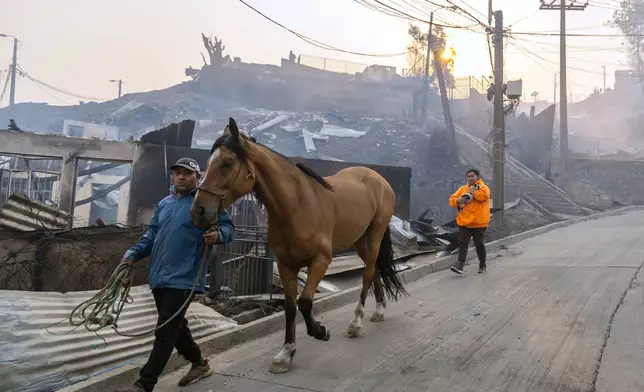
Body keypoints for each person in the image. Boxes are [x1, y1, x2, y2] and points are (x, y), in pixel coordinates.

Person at [119, 157, 235, 392]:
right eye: (178, 172)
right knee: (175, 325)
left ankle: (145, 383)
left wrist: (218, 236)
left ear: (197, 177)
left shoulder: (206, 203)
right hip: (159, 276)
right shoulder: (164, 204)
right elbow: (151, 235)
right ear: (173, 177)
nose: (181, 176)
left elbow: (228, 227)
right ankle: (200, 364)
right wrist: (133, 253)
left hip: (185, 277)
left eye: (187, 173)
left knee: (165, 330)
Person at [448, 168, 491, 275]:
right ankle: (460, 265)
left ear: (478, 177)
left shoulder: (483, 188)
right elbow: (452, 199)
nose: (470, 178)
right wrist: (458, 201)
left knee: (479, 244)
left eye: (472, 176)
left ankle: (482, 265)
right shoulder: (462, 189)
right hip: (464, 222)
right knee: (463, 243)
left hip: (478, 223)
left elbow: (483, 197)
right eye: (468, 176)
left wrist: (473, 192)